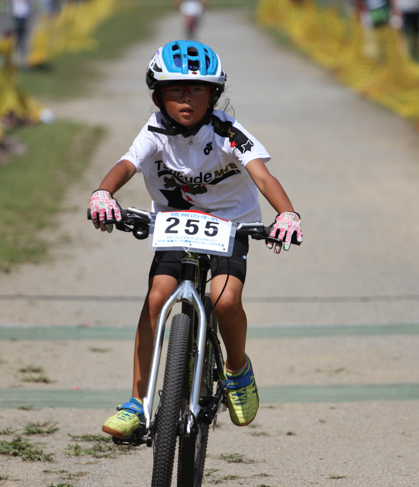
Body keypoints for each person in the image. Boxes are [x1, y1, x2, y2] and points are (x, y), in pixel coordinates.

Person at [89, 40, 302, 439]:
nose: (186, 98)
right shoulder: (154, 130)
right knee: (157, 297)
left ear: (213, 95)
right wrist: (104, 193)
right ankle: (137, 403)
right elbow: (126, 165)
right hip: (177, 222)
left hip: (230, 224)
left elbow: (261, 175)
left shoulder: (227, 131)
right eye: (176, 90)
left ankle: (237, 369)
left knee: (226, 299)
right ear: (158, 95)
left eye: (197, 89)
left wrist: (286, 213)